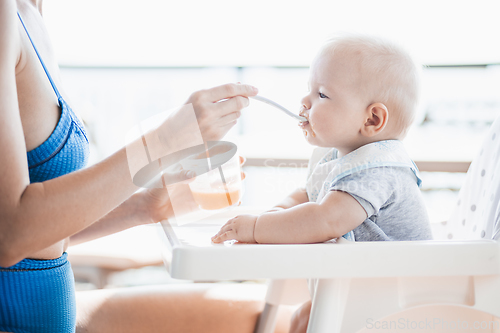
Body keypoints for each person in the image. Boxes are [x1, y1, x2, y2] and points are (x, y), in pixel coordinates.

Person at [0, 1, 294, 332]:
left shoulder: (31, 10)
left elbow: (40, 234)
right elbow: (10, 236)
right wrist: (163, 140)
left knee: (283, 317)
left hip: (54, 308)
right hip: (17, 318)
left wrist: (143, 206)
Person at [212, 34, 433, 332]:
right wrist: (277, 211)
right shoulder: (343, 159)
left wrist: (256, 228)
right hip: (364, 291)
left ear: (372, 119)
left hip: (398, 305)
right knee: (302, 319)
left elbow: (325, 218)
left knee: (311, 319)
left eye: (322, 95)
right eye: (309, 90)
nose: (305, 101)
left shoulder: (378, 170)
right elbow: (309, 195)